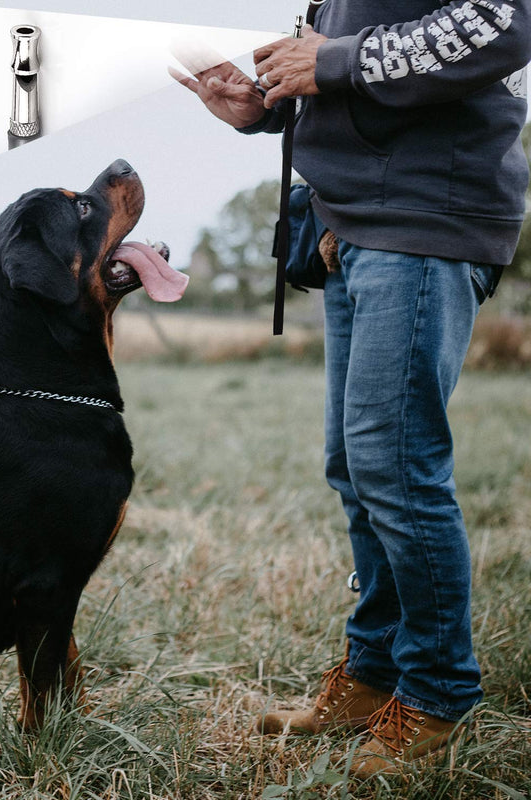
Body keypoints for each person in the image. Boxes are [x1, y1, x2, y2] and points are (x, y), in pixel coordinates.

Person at [171, 0, 531, 778]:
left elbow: (503, 24)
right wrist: (266, 106)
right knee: (359, 468)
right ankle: (373, 676)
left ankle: (437, 694)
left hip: (425, 221)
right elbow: (355, 68)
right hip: (355, 223)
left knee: (397, 470)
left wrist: (330, 62)